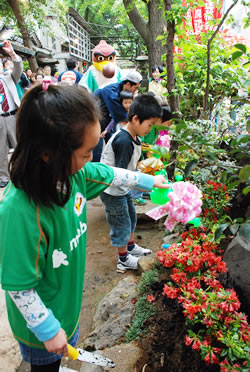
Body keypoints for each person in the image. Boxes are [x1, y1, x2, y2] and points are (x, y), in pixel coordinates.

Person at [0, 84, 168, 371]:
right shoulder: (19, 211)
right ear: (47, 154)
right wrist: (47, 329)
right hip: (40, 325)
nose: (92, 159)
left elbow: (108, 173)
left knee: (61, 353)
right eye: (86, 152)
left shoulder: (72, 174)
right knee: (45, 363)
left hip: (66, 304)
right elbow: (19, 287)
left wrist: (149, 182)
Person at [100, 94, 164, 272]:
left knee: (130, 217)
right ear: (136, 119)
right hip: (113, 190)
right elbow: (121, 174)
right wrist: (148, 183)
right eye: (149, 125)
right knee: (121, 222)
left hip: (122, 188)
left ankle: (130, 247)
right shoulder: (124, 140)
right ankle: (123, 259)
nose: (150, 130)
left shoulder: (134, 136)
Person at [93, 70, 142, 162]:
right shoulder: (110, 91)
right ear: (128, 84)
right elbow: (118, 113)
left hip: (106, 120)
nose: (136, 91)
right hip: (94, 120)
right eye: (135, 88)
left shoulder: (121, 91)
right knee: (96, 151)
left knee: (111, 145)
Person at [0, 40, 22, 188]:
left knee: (20, 147)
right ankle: (3, 177)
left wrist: (12, 54)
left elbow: (18, 68)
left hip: (13, 116)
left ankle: (23, 173)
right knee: (0, 150)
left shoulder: (9, 77)